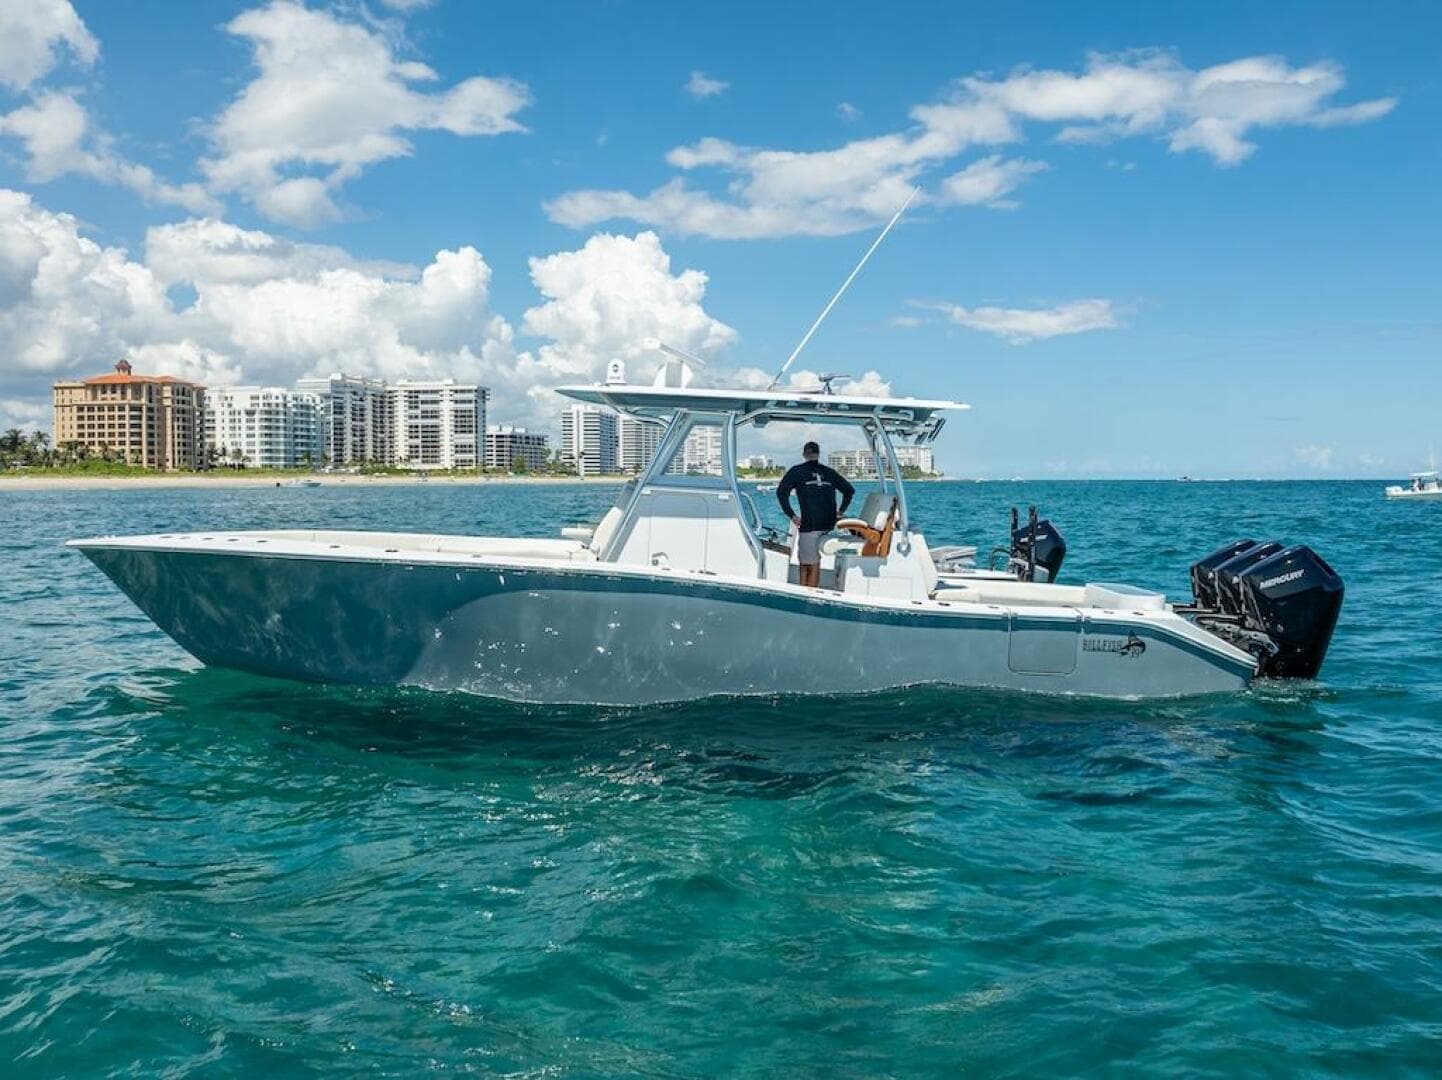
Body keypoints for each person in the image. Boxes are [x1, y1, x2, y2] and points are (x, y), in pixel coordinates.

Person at [777, 441, 854, 588]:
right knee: (811, 562)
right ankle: (811, 593)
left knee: (808, 564)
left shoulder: (796, 471)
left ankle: (807, 596)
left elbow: (781, 493)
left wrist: (791, 515)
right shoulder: (829, 472)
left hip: (811, 525)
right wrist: (840, 512)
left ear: (804, 454)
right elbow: (849, 491)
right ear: (818, 454)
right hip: (829, 524)